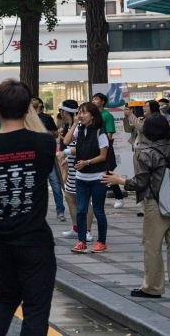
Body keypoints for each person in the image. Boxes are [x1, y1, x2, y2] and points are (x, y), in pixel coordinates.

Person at [0, 79, 57, 335]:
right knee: (36, 308)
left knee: (6, 298)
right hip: (35, 240)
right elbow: (46, 152)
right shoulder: (44, 145)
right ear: (29, 109)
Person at [102, 115, 170, 302]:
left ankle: (152, 287)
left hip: (156, 204)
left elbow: (140, 182)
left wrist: (120, 180)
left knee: (152, 245)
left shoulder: (148, 153)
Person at [58, 102, 110, 253]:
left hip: (97, 176)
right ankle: (81, 241)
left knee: (98, 210)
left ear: (93, 115)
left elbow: (103, 156)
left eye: (84, 112)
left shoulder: (100, 132)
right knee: (81, 210)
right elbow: (66, 142)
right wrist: (74, 124)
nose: (80, 115)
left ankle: (101, 241)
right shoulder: (80, 130)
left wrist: (87, 162)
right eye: (79, 112)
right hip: (81, 178)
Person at [59, 100, 94, 241]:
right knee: (69, 196)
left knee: (84, 200)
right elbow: (68, 142)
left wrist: (65, 153)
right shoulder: (72, 126)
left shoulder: (83, 126)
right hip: (74, 165)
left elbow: (81, 147)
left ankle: (87, 231)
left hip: (84, 166)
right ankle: (76, 227)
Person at [33, 98, 65, 222]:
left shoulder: (46, 118)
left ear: (40, 104)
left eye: (34, 100)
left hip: (47, 155)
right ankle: (37, 212)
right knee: (37, 186)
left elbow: (56, 134)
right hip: (34, 156)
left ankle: (60, 211)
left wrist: (47, 133)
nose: (31, 102)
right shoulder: (27, 118)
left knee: (55, 183)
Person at [92, 93, 124, 208]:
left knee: (108, 171)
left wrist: (107, 149)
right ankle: (97, 197)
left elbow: (110, 134)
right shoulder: (92, 115)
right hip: (94, 149)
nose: (94, 101)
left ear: (103, 102)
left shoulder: (107, 115)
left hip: (105, 148)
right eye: (93, 99)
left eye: (96, 99)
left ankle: (119, 197)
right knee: (97, 172)